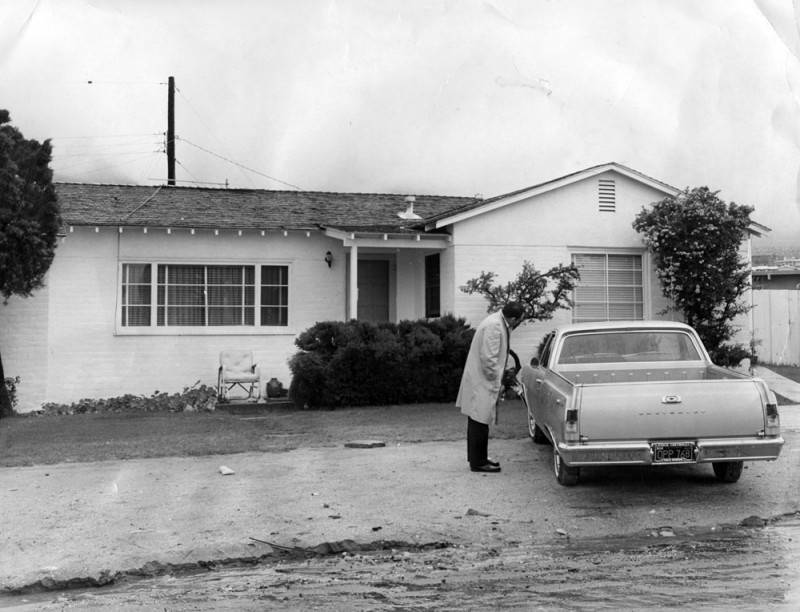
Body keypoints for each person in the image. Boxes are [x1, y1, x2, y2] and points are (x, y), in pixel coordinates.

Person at [456, 301, 525, 473]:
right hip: (483, 381)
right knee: (479, 420)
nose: (518, 324)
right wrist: (498, 382)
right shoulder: (495, 326)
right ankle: (478, 462)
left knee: (480, 420)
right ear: (513, 318)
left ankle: (478, 458)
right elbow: (489, 359)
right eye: (519, 320)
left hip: (482, 380)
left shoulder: (498, 322)